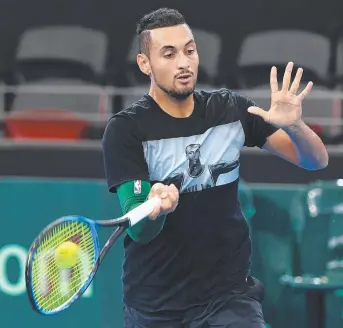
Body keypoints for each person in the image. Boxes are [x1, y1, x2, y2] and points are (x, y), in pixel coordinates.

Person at [101, 7, 328, 328]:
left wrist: (295, 127)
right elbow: (139, 229)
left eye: (189, 50)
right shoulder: (126, 130)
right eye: (168, 54)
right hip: (156, 306)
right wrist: (156, 209)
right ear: (145, 64)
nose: (183, 63)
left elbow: (315, 160)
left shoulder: (229, 109)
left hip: (229, 297)